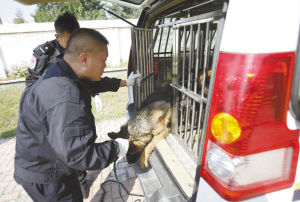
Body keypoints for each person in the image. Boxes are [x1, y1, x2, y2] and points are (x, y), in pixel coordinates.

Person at [14, 28, 139, 201]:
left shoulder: (60, 71)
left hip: (39, 160)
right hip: (50, 177)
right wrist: (117, 147)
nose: (105, 67)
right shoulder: (67, 95)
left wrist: (126, 82)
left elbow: (94, 84)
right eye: (103, 60)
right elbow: (80, 156)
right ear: (84, 59)